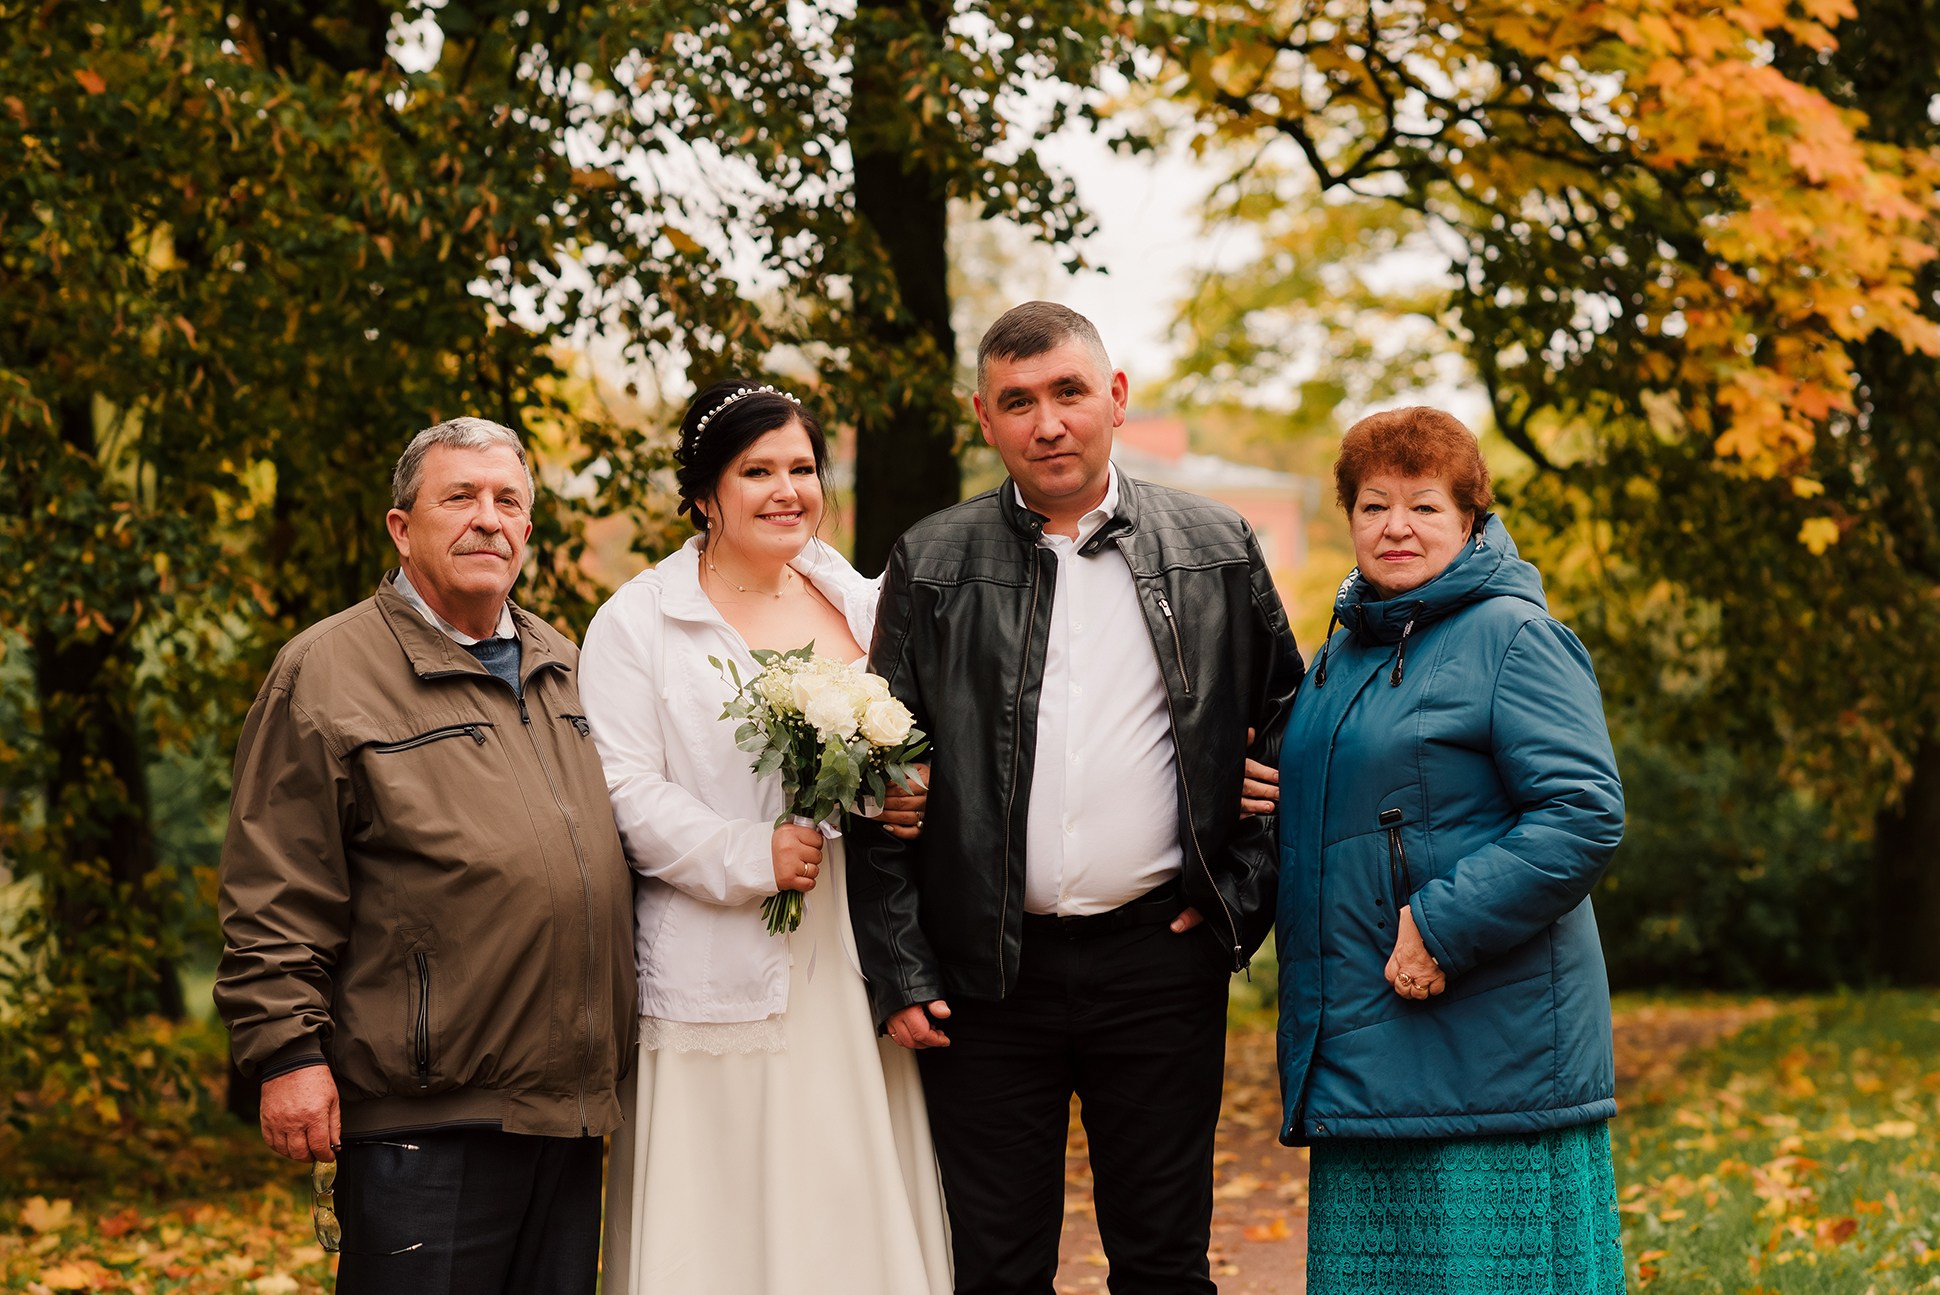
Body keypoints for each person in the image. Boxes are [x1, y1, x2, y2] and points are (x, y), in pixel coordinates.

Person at [847, 301, 1306, 1294]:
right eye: (1017, 401)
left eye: (1066, 391)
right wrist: (898, 963)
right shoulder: (929, 561)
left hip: (1161, 956)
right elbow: (874, 774)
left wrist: (1237, 898)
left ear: (1115, 397)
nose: (1045, 421)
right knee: (996, 1268)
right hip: (982, 976)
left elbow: (1291, 724)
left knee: (1163, 1261)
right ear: (983, 417)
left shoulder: (1213, 543)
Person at [214, 418, 636, 1295]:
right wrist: (286, 1054)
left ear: (527, 529)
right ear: (402, 528)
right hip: (423, 1121)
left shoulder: (569, 664)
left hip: (566, 1113)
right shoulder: (326, 673)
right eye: (460, 498)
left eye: (508, 501)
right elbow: (274, 888)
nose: (488, 519)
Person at [577, 380, 952, 1295]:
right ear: (706, 492)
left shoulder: (858, 601)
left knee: (843, 1204)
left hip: (847, 954)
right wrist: (753, 858)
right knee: (722, 1227)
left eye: (802, 468)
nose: (788, 490)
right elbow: (621, 792)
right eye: (757, 471)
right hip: (716, 957)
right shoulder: (639, 623)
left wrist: (897, 793)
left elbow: (897, 743)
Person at [1275, 406, 1627, 1293]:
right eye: (1374, 505)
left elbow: (1582, 811)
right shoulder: (1344, 653)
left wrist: (1439, 925)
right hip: (1369, 1042)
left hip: (1486, 1043)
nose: (1395, 526)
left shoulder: (1513, 635)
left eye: (1424, 506)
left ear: (1471, 520)